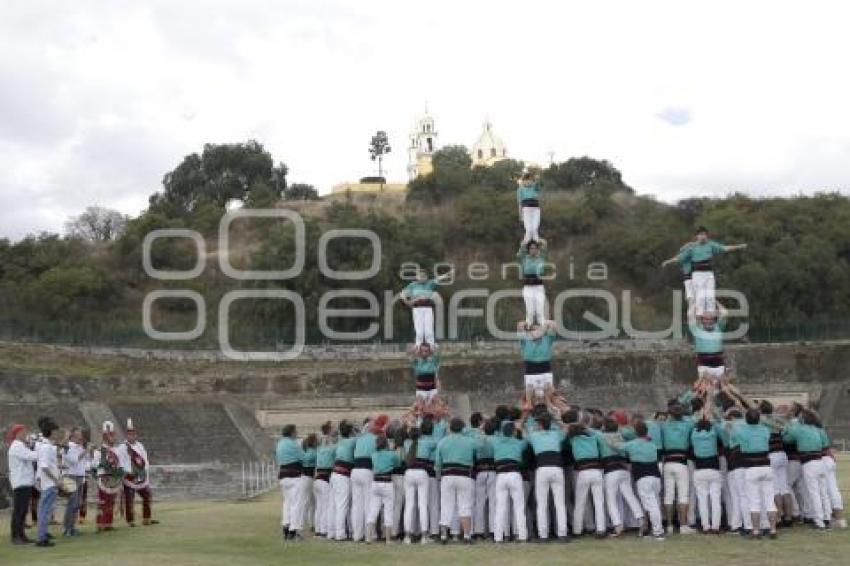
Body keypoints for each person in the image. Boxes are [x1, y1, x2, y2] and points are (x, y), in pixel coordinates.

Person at [675, 227, 747, 315]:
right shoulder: (692, 247)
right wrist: (670, 261)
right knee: (700, 297)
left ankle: (710, 316)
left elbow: (724, 248)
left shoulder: (711, 245)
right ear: (697, 236)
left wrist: (738, 247)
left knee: (710, 296)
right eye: (700, 235)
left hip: (708, 274)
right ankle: (699, 316)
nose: (702, 236)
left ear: (707, 236)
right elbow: (680, 257)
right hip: (697, 275)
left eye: (704, 234)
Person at [783, 411, 832, 530]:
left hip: (809, 463)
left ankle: (819, 522)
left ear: (803, 419)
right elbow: (825, 443)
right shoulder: (817, 429)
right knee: (823, 491)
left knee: (813, 492)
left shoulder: (799, 429)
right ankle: (827, 518)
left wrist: (787, 428)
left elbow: (787, 439)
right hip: (820, 461)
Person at [617, 420, 665, 540]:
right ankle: (654, 529)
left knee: (651, 506)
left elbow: (617, 446)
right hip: (656, 476)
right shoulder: (652, 443)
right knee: (655, 504)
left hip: (643, 477)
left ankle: (658, 532)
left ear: (635, 432)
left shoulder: (632, 444)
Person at [735, 408, 778, 538]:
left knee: (754, 501)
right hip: (766, 466)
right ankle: (773, 529)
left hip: (751, 468)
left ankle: (755, 530)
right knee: (769, 500)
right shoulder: (765, 430)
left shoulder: (741, 431)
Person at [526, 412, 569, 541]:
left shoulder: (533, 436)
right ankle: (562, 534)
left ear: (539, 424)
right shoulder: (556, 434)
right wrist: (556, 416)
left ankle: (543, 535)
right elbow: (566, 427)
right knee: (560, 503)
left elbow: (521, 429)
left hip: (542, 469)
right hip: (557, 468)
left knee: (542, 504)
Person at [600, 417, 644, 538]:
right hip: (624, 469)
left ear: (604, 427)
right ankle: (641, 520)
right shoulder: (621, 435)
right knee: (630, 496)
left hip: (610, 470)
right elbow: (632, 433)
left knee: (611, 499)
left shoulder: (601, 436)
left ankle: (618, 526)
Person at [434, 417, 476, 544]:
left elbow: (437, 464)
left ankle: (443, 536)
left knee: (446, 506)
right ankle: (467, 536)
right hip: (464, 475)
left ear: (450, 428)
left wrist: (438, 477)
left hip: (447, 475)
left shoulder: (442, 442)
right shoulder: (470, 441)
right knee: (465, 506)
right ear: (462, 428)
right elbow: (480, 446)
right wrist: (468, 431)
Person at [351, 415, 387, 542]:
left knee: (357, 505)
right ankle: (369, 534)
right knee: (368, 503)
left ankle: (357, 534)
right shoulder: (376, 439)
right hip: (367, 470)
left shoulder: (360, 439)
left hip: (355, 471)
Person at [660, 402, 695, 534]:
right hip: (681, 462)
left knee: (668, 495)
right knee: (683, 495)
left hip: (668, 462)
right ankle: (683, 525)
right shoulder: (687, 424)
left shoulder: (664, 425)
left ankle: (669, 525)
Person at [568, 420, 606, 538]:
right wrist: (588, 428)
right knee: (599, 502)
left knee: (580, 502)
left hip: (583, 472)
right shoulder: (593, 437)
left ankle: (577, 530)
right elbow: (601, 436)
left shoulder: (573, 439)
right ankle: (601, 529)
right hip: (596, 471)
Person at [491, 421, 528, 543]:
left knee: (500, 507)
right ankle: (522, 536)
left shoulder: (495, 441)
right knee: (519, 507)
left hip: (500, 475)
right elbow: (526, 440)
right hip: (515, 474)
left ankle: (498, 537)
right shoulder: (519, 443)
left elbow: (485, 436)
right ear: (513, 432)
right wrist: (520, 430)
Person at [117, 419, 157, 528]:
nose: (132, 436)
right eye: (129, 434)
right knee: (129, 499)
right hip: (129, 477)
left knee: (147, 496)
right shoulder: (122, 448)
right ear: (127, 435)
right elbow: (119, 462)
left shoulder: (140, 446)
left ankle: (146, 518)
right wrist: (125, 472)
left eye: (133, 434)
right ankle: (130, 520)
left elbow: (145, 460)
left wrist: (145, 471)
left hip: (141, 477)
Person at [400, 268, 453, 348]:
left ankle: (431, 345)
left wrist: (448, 274)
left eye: (424, 276)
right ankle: (418, 345)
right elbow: (403, 293)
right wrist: (406, 301)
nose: (422, 278)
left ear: (427, 277)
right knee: (420, 331)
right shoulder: (412, 285)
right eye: (420, 276)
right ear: (417, 277)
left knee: (428, 330)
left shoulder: (430, 283)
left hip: (428, 309)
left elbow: (439, 279)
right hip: (417, 309)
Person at [403, 421, 437, 544]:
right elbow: (436, 441)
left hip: (409, 473)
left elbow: (408, 433)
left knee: (409, 505)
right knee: (423, 505)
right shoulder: (427, 442)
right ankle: (424, 535)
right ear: (421, 434)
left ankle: (407, 536)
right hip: (422, 473)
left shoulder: (407, 443)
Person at [6, 423, 38, 545]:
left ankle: (21, 535)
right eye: (24, 432)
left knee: (23, 510)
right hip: (20, 482)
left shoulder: (20, 445)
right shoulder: (17, 446)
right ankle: (16, 536)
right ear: (18, 433)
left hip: (24, 481)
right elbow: (30, 456)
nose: (26, 435)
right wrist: (40, 450)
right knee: (19, 511)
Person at [366, 434, 401, 544]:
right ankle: (388, 539)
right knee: (388, 510)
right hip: (387, 482)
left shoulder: (373, 455)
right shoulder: (392, 454)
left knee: (373, 510)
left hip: (375, 482)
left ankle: (368, 536)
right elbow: (398, 463)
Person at [691, 417, 723, 534]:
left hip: (700, 469)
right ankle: (716, 526)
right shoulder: (713, 434)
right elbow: (719, 429)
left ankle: (705, 526)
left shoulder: (694, 435)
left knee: (702, 500)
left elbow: (694, 426)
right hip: (714, 469)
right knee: (715, 499)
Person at [34, 417, 60, 547]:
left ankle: (43, 534)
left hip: (50, 483)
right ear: (50, 432)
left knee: (46, 510)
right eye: (55, 431)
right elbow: (44, 467)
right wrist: (56, 480)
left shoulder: (48, 446)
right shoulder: (46, 447)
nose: (57, 434)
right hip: (49, 483)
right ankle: (41, 538)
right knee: (45, 511)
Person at [518, 319, 557, 406]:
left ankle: (549, 404)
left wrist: (546, 323)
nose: (536, 332)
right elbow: (520, 325)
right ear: (530, 332)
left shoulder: (547, 338)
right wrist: (526, 322)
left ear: (542, 331)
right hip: (530, 367)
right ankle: (529, 404)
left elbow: (553, 325)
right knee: (529, 389)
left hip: (545, 366)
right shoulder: (525, 339)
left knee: (548, 388)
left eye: (538, 329)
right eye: (533, 329)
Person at [276, 424, 304, 540]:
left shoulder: (280, 443)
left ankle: (286, 528)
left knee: (287, 503)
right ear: (292, 432)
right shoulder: (294, 444)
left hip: (283, 476)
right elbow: (303, 457)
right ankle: (293, 530)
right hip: (294, 476)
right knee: (296, 504)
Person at [689, 305, 728, 385]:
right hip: (704, 363)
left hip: (719, 362)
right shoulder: (696, 329)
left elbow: (725, 313)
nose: (708, 321)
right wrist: (695, 303)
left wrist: (714, 301)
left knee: (725, 387)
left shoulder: (719, 327)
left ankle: (743, 398)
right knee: (707, 387)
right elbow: (690, 314)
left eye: (711, 319)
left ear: (714, 320)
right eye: (706, 319)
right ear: (702, 320)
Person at [330, 420, 356, 541]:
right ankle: (340, 533)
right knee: (342, 505)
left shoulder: (340, 442)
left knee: (335, 505)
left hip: (335, 473)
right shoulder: (352, 441)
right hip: (343, 474)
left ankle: (334, 531)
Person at [472, 416, 496, 540]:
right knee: (493, 503)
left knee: (479, 503)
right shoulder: (496, 439)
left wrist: (479, 430)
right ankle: (493, 531)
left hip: (480, 471)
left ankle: (478, 531)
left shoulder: (478, 439)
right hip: (493, 471)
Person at [96, 421, 123, 533]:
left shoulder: (115, 449)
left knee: (111, 502)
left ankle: (108, 523)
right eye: (110, 435)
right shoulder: (101, 450)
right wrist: (103, 475)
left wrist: (118, 475)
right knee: (103, 502)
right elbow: (98, 464)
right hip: (104, 478)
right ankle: (100, 523)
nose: (113, 438)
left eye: (113, 435)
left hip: (113, 479)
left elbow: (118, 463)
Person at [517, 239, 549, 327]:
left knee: (539, 312)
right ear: (528, 250)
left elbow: (545, 244)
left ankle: (543, 329)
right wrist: (525, 242)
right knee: (530, 312)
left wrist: (537, 239)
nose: (533, 250)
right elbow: (520, 252)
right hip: (528, 288)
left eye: (535, 248)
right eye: (531, 248)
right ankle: (528, 328)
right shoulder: (524, 258)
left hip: (538, 287)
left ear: (538, 249)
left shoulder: (541, 257)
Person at [62, 427, 87, 537]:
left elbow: (85, 461)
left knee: (76, 504)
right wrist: (86, 451)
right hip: (70, 476)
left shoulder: (79, 447)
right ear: (72, 437)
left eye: (80, 435)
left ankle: (71, 527)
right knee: (72, 503)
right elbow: (74, 460)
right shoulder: (69, 447)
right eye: (78, 435)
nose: (80, 437)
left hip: (79, 476)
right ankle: (67, 528)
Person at [313, 422, 337, 539]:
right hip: (325, 476)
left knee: (319, 505)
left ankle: (318, 529)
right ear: (329, 430)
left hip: (318, 477)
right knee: (326, 505)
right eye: (333, 428)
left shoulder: (320, 444)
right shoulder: (329, 443)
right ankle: (323, 530)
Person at [409, 343, 441, 408]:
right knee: (420, 408)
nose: (424, 353)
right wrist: (413, 351)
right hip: (421, 391)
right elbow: (411, 358)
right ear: (419, 352)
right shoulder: (417, 362)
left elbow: (438, 356)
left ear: (429, 352)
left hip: (432, 391)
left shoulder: (433, 362)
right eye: (422, 351)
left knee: (437, 408)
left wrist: (436, 349)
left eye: (426, 351)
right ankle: (420, 417)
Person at [299, 433, 318, 534]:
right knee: (309, 502)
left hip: (304, 477)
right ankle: (303, 524)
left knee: (310, 502)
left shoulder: (304, 452)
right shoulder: (314, 452)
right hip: (309, 477)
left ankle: (311, 524)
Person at [517, 170, 541, 244]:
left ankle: (536, 247)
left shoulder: (534, 187)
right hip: (526, 211)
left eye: (530, 180)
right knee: (529, 230)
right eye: (526, 180)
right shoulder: (520, 189)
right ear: (523, 181)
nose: (528, 182)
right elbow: (520, 203)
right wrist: (520, 215)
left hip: (536, 210)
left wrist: (536, 178)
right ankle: (525, 246)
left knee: (534, 229)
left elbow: (537, 182)